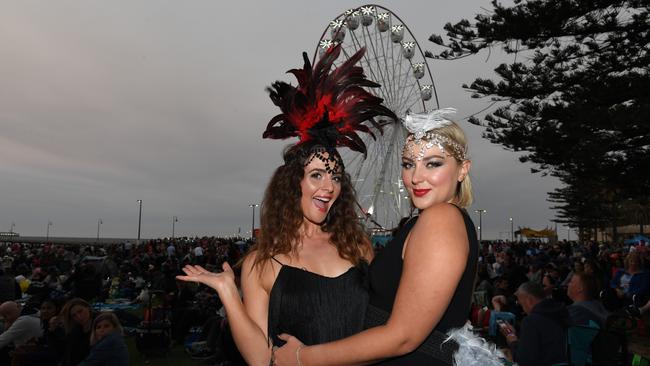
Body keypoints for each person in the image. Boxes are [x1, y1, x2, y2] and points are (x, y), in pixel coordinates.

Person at [177, 44, 395, 366]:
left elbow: (384, 329)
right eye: (317, 175)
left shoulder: (358, 245)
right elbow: (259, 358)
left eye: (335, 177)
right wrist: (228, 292)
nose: (328, 186)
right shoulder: (260, 263)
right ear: (293, 184)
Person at [274, 108, 479, 365]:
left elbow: (403, 337)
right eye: (408, 164)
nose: (416, 177)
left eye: (433, 164)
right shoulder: (428, 222)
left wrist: (302, 358)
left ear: (463, 170)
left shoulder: (441, 218)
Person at [499, 281, 568, 366]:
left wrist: (512, 341)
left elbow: (524, 361)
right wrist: (516, 334)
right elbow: (544, 339)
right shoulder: (560, 312)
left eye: (521, 304)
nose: (523, 309)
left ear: (529, 300)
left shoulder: (531, 321)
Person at [59, 298, 95, 366]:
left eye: (80, 311)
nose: (78, 316)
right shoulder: (74, 332)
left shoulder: (100, 326)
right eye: (74, 315)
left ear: (88, 308)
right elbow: (67, 355)